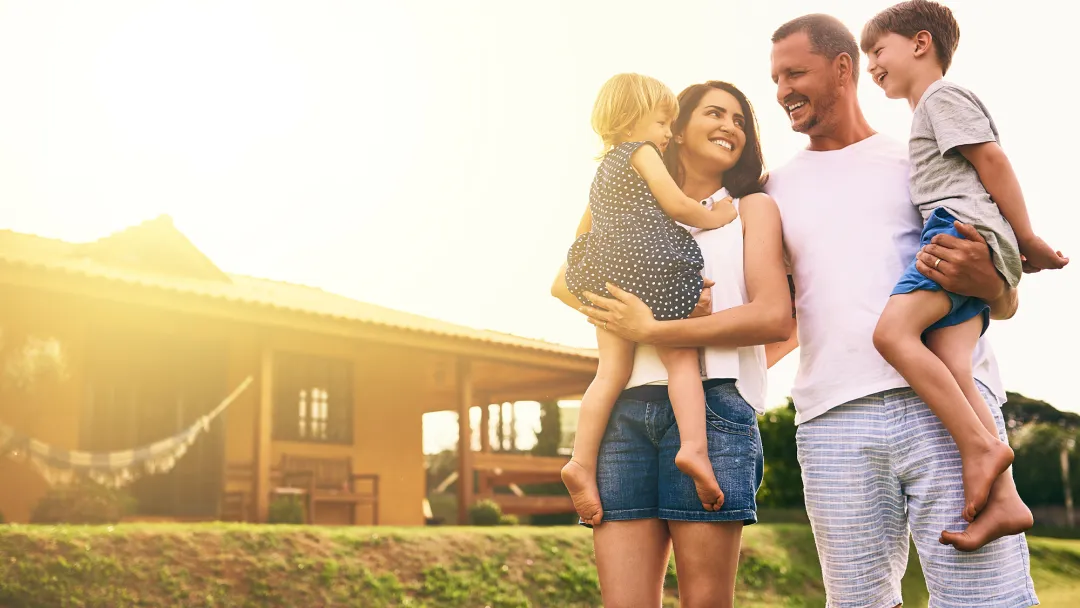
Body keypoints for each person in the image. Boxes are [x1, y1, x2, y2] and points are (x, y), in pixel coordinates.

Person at [767, 13, 1038, 607]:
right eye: (775, 79)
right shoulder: (772, 192)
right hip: (833, 422)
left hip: (944, 407)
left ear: (844, 69)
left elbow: (1001, 295)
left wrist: (994, 282)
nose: (783, 90)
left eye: (795, 73)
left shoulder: (919, 160)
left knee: (985, 599)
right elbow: (778, 318)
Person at [553, 80, 790, 607]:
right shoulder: (626, 198)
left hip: (714, 410)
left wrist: (659, 328)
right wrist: (629, 312)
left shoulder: (750, 209)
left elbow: (776, 318)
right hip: (623, 415)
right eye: (714, 113)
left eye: (740, 120)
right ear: (675, 129)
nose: (730, 126)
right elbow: (565, 282)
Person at [860, 0, 1065, 552]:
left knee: (891, 334)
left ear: (920, 43)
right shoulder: (927, 109)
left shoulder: (941, 98)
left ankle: (980, 448)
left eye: (877, 50)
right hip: (970, 237)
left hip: (957, 233)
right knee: (954, 364)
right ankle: (1005, 500)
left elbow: (992, 162)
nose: (871, 64)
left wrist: (1025, 241)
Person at [560, 73, 739, 525]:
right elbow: (678, 206)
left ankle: (580, 462)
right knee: (680, 360)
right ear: (631, 119)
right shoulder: (641, 152)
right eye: (662, 122)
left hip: (606, 273)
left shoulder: (602, 171)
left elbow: (584, 237)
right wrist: (716, 214)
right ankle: (695, 448)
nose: (665, 134)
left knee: (609, 372)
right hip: (651, 265)